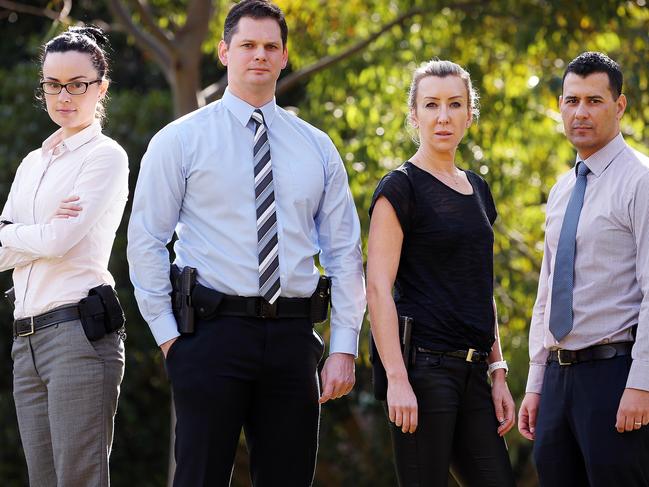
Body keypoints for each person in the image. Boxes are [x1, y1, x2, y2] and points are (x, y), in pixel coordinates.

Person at [126, 0, 365, 485]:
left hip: (294, 340)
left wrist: (344, 344)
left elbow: (343, 252)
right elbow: (146, 240)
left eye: (270, 46)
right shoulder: (180, 141)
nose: (260, 55)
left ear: (283, 57)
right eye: (248, 45)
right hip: (209, 337)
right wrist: (170, 339)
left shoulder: (316, 147)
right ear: (224, 51)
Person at [366, 59, 516, 486]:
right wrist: (396, 380)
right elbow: (377, 289)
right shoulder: (400, 188)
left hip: (473, 374)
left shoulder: (478, 189)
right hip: (422, 372)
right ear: (414, 114)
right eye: (432, 105)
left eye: (455, 104)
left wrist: (498, 372)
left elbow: (479, 287)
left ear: (471, 113)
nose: (444, 116)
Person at [0, 26, 128, 487]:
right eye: (53, 84)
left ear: (101, 88)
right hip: (25, 341)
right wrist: (42, 230)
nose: (64, 95)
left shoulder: (105, 156)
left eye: (77, 84)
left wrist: (19, 235)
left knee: (78, 480)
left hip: (78, 335)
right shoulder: (33, 163)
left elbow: (56, 242)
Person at [518, 51, 649, 486]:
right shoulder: (561, 189)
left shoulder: (640, 181)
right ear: (559, 105)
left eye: (594, 101)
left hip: (615, 375)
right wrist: (536, 383)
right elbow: (546, 292)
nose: (581, 113)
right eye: (572, 101)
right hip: (558, 379)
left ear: (620, 106)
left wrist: (642, 384)